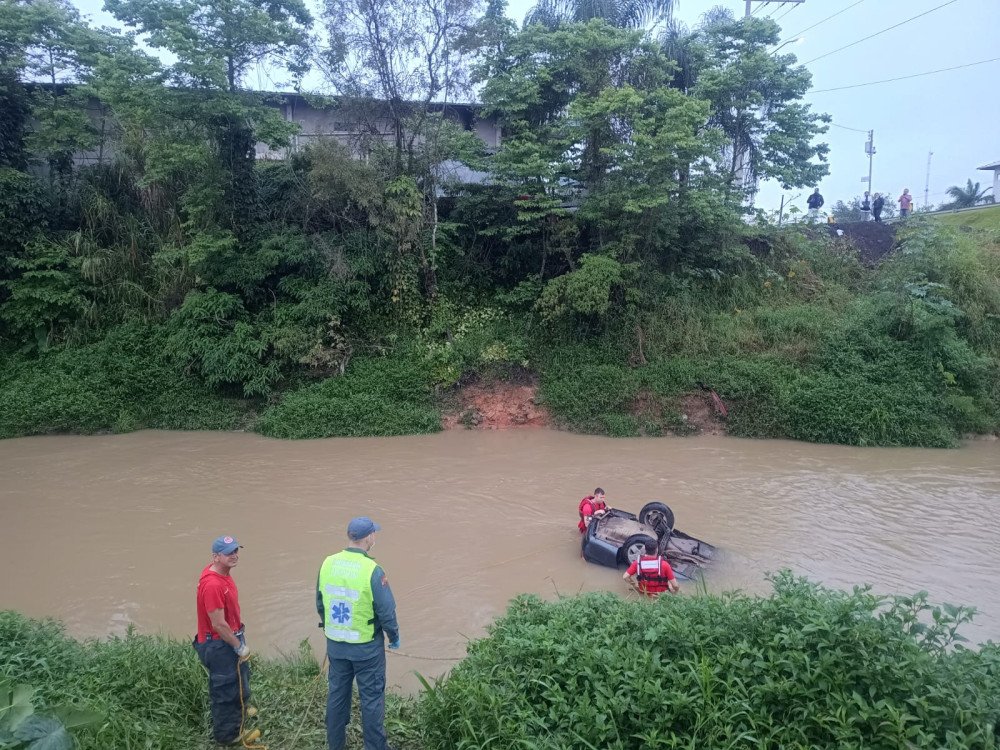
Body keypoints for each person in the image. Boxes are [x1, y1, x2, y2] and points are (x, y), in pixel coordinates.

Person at [317, 517, 399, 750]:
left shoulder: (327, 563)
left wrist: (331, 628)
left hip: (336, 646)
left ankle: (336, 745)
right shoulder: (373, 570)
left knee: (337, 696)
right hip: (366, 650)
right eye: (375, 534)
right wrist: (393, 637)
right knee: (371, 701)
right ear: (369, 537)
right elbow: (386, 611)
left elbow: (320, 603)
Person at [194, 535, 252, 745]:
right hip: (219, 644)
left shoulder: (223, 574)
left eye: (236, 550)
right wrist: (239, 647)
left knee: (241, 677)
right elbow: (218, 623)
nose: (234, 555)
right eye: (229, 553)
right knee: (226, 691)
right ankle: (229, 736)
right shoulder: (212, 585)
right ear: (216, 557)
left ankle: (243, 711)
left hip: (231, 636)